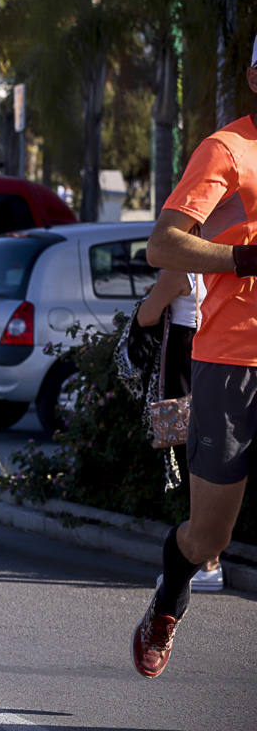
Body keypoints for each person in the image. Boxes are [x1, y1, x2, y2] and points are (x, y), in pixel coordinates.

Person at [134, 38, 257, 679]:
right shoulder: (228, 150)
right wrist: (240, 258)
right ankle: (169, 598)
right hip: (233, 362)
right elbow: (163, 246)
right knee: (209, 538)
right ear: (254, 75)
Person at [135, 269, 222, 591]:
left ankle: (207, 563)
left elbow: (147, 317)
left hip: (186, 360)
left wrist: (153, 293)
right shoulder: (226, 261)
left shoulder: (180, 269)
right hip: (223, 357)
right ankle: (211, 559)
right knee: (219, 457)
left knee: (193, 459)